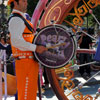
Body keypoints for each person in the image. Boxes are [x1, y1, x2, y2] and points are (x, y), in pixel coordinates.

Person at [7, 0, 47, 100]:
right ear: (15, 3)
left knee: (29, 94)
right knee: (26, 95)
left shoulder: (20, 18)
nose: (26, 3)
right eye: (23, 1)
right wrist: (36, 48)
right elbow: (16, 41)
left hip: (28, 62)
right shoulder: (16, 19)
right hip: (25, 63)